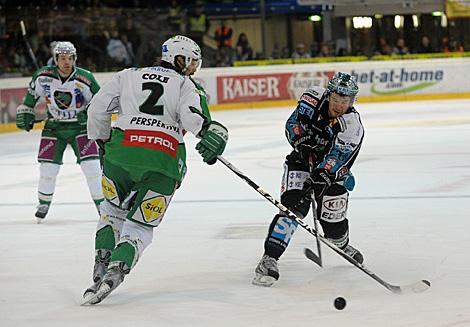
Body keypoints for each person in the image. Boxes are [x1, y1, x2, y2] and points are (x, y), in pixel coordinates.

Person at [83, 35, 229, 304]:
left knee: (112, 211)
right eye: (192, 61)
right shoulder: (187, 85)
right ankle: (118, 267)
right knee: (140, 224)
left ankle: (101, 262)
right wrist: (212, 134)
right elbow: (194, 119)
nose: (195, 68)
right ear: (179, 58)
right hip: (164, 160)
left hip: (121, 154)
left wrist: (104, 142)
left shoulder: (127, 75)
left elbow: (97, 110)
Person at [252, 72, 365, 287]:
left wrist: (322, 174)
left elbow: (338, 156)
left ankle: (341, 243)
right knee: (292, 208)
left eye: (345, 101)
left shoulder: (352, 125)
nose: (340, 105)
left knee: (333, 223)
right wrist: (300, 141)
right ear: (329, 95)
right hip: (301, 162)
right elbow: (293, 122)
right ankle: (270, 258)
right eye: (336, 99)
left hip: (332, 172)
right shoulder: (312, 98)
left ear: (351, 101)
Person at [15, 41, 103, 222]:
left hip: (81, 128)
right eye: (62, 58)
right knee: (48, 169)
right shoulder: (42, 76)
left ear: (75, 58)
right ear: (56, 59)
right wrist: (26, 112)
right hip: (53, 128)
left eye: (70, 58)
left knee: (92, 168)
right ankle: (43, 203)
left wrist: (87, 113)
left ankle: (103, 206)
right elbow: (29, 101)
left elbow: (101, 102)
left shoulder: (85, 78)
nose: (66, 62)